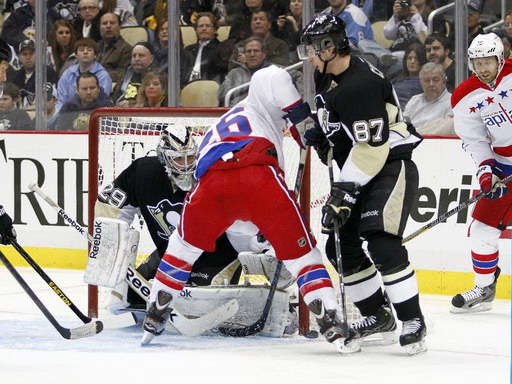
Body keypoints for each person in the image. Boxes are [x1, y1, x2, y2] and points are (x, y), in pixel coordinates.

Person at [140, 64, 345, 351]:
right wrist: (302, 119)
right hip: (257, 172)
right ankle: (328, 317)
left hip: (210, 184)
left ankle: (157, 310)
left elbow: (237, 223)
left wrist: (259, 232)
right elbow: (271, 74)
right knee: (302, 256)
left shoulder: (221, 126)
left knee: (182, 249)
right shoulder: (257, 100)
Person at [298, 14, 426, 355]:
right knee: (341, 246)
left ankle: (413, 321)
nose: (308, 55)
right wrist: (326, 135)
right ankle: (376, 316)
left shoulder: (360, 85)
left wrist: (343, 191)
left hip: (388, 165)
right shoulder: (328, 73)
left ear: (329, 47)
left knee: (382, 243)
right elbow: (346, 126)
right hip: (361, 167)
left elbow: (372, 147)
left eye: (312, 48)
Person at [94, 124, 242, 314]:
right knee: (129, 298)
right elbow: (110, 205)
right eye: (179, 158)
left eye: (190, 157)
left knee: (194, 305)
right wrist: (110, 241)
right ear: (164, 158)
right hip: (171, 255)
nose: (186, 164)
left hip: (216, 258)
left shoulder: (214, 175)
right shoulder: (143, 174)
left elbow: (245, 221)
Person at [450, 33, 511, 313]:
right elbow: (475, 141)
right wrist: (487, 172)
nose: (483, 68)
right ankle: (485, 287)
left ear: (501, 59)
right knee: (482, 229)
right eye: (478, 63)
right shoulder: (464, 96)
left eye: (488, 61)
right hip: (503, 166)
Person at [57, 38, 112, 111]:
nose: (85, 52)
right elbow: (61, 100)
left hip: (93, 113)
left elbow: (101, 100)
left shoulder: (103, 76)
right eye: (81, 50)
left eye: (89, 50)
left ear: (95, 55)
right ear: (76, 55)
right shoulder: (68, 73)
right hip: (68, 113)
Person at [218, 36, 271, 106]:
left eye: (256, 51)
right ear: (244, 54)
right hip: (236, 112)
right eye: (249, 51)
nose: (252, 55)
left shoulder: (272, 72)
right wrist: (246, 87)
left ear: (264, 54)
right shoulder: (234, 73)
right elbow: (221, 95)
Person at [403, 62, 454, 135]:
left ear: (444, 81)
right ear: (421, 83)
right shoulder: (414, 100)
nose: (431, 84)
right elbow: (403, 124)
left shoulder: (452, 101)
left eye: (435, 80)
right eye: (426, 80)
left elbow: (446, 130)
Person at [10, 40, 59, 110]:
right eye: (24, 54)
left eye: (31, 53)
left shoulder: (47, 73)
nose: (28, 57)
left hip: (41, 116)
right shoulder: (17, 76)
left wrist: (24, 110)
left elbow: (51, 101)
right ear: (20, 57)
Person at [184, 12, 227, 84]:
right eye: (200, 26)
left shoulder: (222, 49)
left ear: (215, 30)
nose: (204, 28)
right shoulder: (188, 50)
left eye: (207, 26)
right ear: (195, 29)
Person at [112, 41, 155, 106]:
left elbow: (155, 102)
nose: (136, 59)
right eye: (134, 56)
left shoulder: (156, 76)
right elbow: (114, 96)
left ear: (151, 59)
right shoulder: (126, 73)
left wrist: (132, 105)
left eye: (141, 55)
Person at [97, 12, 132, 82]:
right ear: (99, 27)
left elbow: (123, 74)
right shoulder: (94, 47)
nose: (108, 26)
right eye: (104, 23)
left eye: (112, 23)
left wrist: (97, 75)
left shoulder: (126, 49)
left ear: (120, 26)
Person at [391, 43, 426, 109]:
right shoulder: (396, 79)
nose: (412, 61)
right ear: (405, 61)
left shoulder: (426, 82)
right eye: (409, 58)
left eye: (416, 58)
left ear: (422, 61)